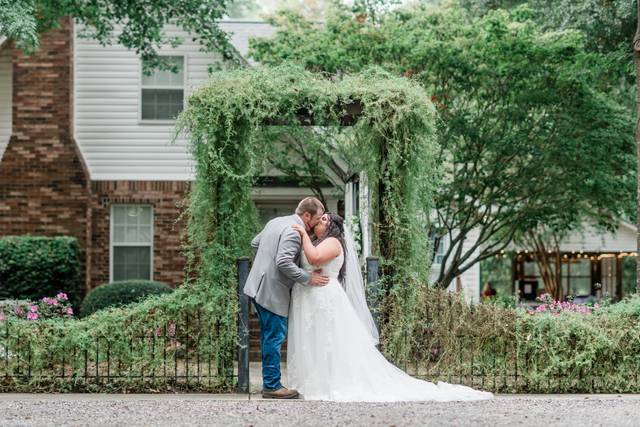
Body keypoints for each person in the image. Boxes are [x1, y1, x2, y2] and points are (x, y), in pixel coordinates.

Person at [287, 212, 494, 401]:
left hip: (326, 298)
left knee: (330, 341)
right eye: (319, 218)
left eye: (324, 219)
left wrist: (304, 236)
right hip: (313, 297)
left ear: (333, 227)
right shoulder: (319, 241)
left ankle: (329, 382)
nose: (319, 222)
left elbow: (314, 258)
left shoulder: (332, 242)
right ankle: (315, 380)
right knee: (316, 340)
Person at [244, 197, 330, 399]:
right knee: (274, 337)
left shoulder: (276, 221)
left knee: (268, 337)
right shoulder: (294, 231)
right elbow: (283, 261)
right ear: (306, 215)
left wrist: (267, 260)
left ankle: (270, 383)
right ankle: (272, 386)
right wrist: (308, 277)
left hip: (257, 284)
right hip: (273, 290)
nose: (318, 223)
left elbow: (255, 242)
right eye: (317, 219)